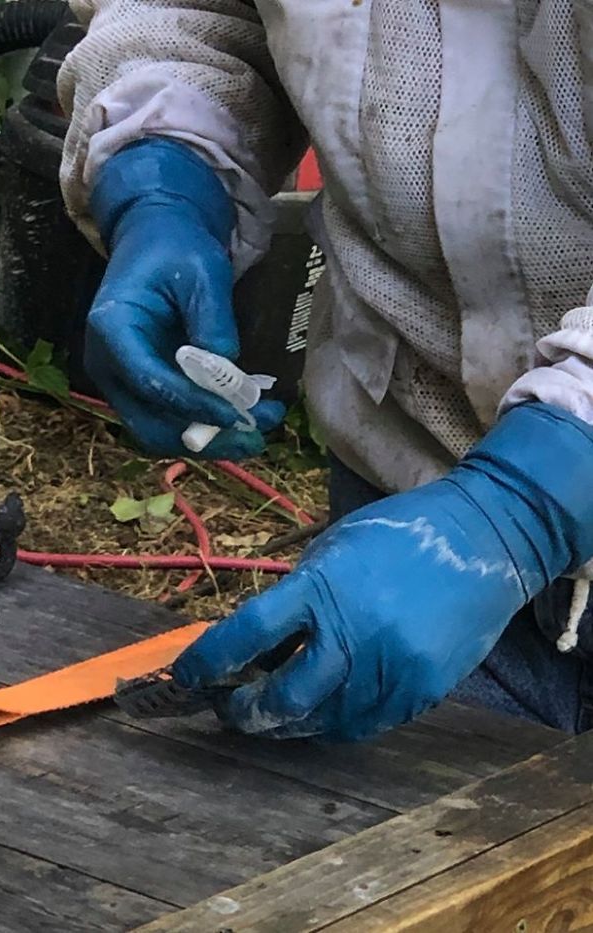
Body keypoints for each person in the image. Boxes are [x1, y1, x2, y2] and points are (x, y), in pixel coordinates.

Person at [57, 1, 593, 740]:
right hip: (405, 533)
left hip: (451, 536)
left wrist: (529, 497)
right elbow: (195, 10)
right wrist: (165, 176)